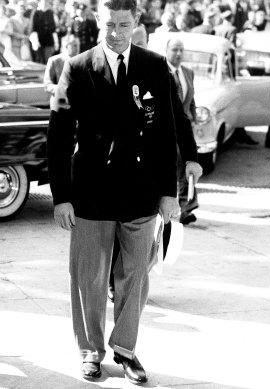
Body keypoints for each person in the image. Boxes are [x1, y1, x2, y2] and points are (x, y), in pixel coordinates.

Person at [47, 0, 179, 384]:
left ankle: (126, 350)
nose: (116, 33)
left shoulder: (155, 67)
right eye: (109, 25)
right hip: (91, 192)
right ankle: (90, 351)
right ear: (98, 24)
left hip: (141, 192)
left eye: (123, 24)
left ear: (137, 21)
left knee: (135, 274)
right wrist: (60, 197)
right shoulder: (77, 67)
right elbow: (58, 136)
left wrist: (169, 193)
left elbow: (166, 132)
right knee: (88, 277)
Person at [108, 26, 202, 300]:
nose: (132, 48)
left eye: (139, 43)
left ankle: (131, 281)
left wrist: (192, 158)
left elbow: (179, 120)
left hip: (148, 170)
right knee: (114, 229)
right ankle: (116, 282)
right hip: (112, 169)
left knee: (142, 230)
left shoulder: (158, 72)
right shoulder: (103, 67)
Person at [165, 37, 201, 224]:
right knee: (177, 168)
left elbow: (191, 99)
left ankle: (187, 206)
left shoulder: (188, 72)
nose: (178, 54)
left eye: (181, 50)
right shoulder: (161, 73)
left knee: (187, 167)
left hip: (185, 129)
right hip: (169, 130)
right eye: (175, 50)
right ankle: (182, 206)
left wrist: (193, 119)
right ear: (167, 50)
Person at [44, 34, 79, 106]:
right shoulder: (54, 61)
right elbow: (47, 84)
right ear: (66, 46)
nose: (77, 48)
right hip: (60, 103)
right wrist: (62, 89)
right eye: (74, 45)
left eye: (78, 45)